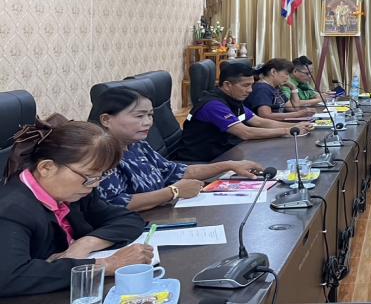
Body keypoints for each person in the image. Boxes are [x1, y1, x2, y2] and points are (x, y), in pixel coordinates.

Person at [0, 115, 151, 296]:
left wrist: (85, 244)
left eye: (100, 176)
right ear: (46, 168)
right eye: (90, 176)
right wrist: (108, 264)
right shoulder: (12, 209)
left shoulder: (76, 192)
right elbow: (10, 277)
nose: (95, 184)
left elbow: (129, 219)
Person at [91, 87, 265, 211]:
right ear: (106, 120)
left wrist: (229, 165)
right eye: (139, 116)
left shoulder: (137, 145)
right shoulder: (99, 154)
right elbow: (114, 203)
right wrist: (173, 192)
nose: (148, 122)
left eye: (150, 115)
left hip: (160, 213)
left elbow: (175, 171)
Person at [175, 62, 314, 162]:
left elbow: (259, 121)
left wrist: (294, 126)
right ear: (227, 85)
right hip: (203, 161)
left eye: (251, 85)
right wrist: (288, 131)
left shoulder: (233, 99)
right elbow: (246, 132)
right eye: (245, 85)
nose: (250, 90)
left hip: (225, 152)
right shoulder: (213, 105)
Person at [247, 58, 314, 121]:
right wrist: (298, 114)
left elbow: (295, 108)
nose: (288, 78)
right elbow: (265, 115)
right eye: (286, 74)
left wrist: (293, 88)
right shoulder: (262, 89)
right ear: (273, 72)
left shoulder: (276, 88)